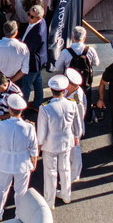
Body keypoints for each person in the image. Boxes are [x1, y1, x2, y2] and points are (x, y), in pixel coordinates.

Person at [0, 93, 39, 220]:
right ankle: (19, 215)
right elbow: (34, 149)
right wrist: (34, 162)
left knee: (1, 188)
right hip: (23, 163)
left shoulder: (1, 125)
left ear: (10, 110)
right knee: (21, 191)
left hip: (4, 162)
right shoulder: (29, 127)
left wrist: (1, 156)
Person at [37, 75, 78, 205]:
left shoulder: (45, 107)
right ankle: (66, 195)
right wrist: (76, 136)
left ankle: (49, 201)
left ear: (51, 90)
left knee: (50, 172)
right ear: (64, 90)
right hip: (66, 141)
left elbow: (42, 130)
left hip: (50, 144)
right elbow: (77, 124)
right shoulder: (72, 103)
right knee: (65, 169)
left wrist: (39, 144)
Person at [56, 28, 98, 116]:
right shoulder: (90, 49)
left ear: (72, 37)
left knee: (70, 100)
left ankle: (71, 116)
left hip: (70, 83)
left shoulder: (65, 52)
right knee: (86, 99)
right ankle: (87, 117)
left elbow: (57, 66)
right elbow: (96, 63)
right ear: (84, 37)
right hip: (86, 81)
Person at [0, 20, 31, 95]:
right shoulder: (23, 47)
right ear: (16, 32)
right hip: (17, 80)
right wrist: (10, 81)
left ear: (4, 31)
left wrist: (3, 79)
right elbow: (24, 69)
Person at [18, 5, 49, 107]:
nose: (28, 17)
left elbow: (28, 50)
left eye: (31, 16)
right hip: (38, 61)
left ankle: (21, 108)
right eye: (28, 14)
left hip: (32, 62)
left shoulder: (38, 33)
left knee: (26, 85)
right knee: (37, 81)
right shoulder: (41, 22)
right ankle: (38, 103)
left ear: (39, 18)